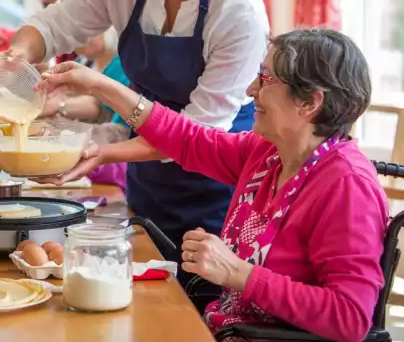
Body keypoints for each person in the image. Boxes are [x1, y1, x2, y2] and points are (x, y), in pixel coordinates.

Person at [37, 29, 387, 342]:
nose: (252, 92)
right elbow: (187, 140)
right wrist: (100, 86)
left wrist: (237, 272)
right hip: (223, 328)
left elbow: (350, 318)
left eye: (265, 81)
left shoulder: (347, 185)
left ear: (310, 102)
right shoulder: (268, 153)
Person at [6, 0, 270, 284]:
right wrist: (17, 54)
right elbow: (53, 25)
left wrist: (101, 151)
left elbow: (197, 135)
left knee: (195, 311)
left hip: (217, 190)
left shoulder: (238, 12)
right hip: (147, 180)